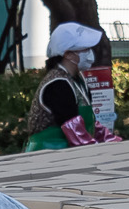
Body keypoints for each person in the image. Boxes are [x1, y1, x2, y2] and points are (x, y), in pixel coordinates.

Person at [24, 21, 120, 150]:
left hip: (69, 153)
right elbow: (74, 130)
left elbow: (90, 124)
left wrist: (112, 141)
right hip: (47, 154)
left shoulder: (79, 80)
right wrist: (97, 151)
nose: (90, 54)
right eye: (85, 49)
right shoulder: (58, 84)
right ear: (68, 54)